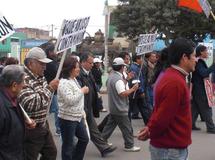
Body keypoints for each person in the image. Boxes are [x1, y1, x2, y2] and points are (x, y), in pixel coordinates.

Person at [138, 38, 197, 160]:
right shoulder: (174, 82)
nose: (196, 60)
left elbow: (159, 110)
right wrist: (150, 131)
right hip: (169, 149)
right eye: (194, 56)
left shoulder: (174, 76)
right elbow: (163, 116)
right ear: (184, 57)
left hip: (170, 147)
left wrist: (149, 128)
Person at [18, 47, 59, 160]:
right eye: (42, 64)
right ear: (31, 63)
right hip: (31, 129)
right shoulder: (23, 78)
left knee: (51, 153)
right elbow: (30, 104)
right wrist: (50, 88)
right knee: (30, 156)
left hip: (43, 124)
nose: (45, 67)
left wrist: (49, 89)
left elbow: (45, 98)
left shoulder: (40, 77)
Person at [77, 53, 117, 157]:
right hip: (82, 107)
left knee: (93, 129)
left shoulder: (88, 72)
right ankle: (103, 147)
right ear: (83, 62)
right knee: (83, 131)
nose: (92, 65)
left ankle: (104, 148)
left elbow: (94, 87)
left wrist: (97, 100)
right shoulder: (79, 75)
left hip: (89, 106)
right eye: (90, 63)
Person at [101, 57, 141, 152]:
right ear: (122, 67)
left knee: (109, 126)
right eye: (124, 66)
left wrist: (127, 79)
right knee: (126, 128)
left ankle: (102, 141)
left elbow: (118, 87)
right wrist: (133, 89)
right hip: (120, 108)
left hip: (114, 107)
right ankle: (129, 145)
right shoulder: (118, 79)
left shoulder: (112, 76)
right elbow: (122, 93)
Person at [0, 65, 35, 160]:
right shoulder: (2, 104)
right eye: (23, 81)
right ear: (14, 85)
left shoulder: (12, 97)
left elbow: (9, 124)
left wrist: (22, 123)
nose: (25, 85)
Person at [58, 56, 89, 160]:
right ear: (70, 69)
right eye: (76, 67)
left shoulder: (74, 79)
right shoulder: (63, 82)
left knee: (84, 139)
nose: (79, 69)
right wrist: (82, 91)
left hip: (77, 117)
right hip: (67, 118)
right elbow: (70, 100)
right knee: (68, 146)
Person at [191, 44, 215, 133]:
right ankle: (211, 128)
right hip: (200, 89)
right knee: (206, 108)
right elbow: (204, 73)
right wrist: (213, 65)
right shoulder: (199, 62)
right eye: (206, 51)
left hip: (197, 89)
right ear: (201, 52)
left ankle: (191, 125)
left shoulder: (197, 62)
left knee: (195, 108)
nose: (207, 52)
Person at [41, 42, 61, 136]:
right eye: (54, 51)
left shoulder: (54, 61)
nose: (56, 53)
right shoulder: (49, 63)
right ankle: (57, 128)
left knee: (52, 109)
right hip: (50, 89)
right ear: (49, 52)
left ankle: (55, 128)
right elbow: (56, 72)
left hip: (54, 90)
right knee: (54, 109)